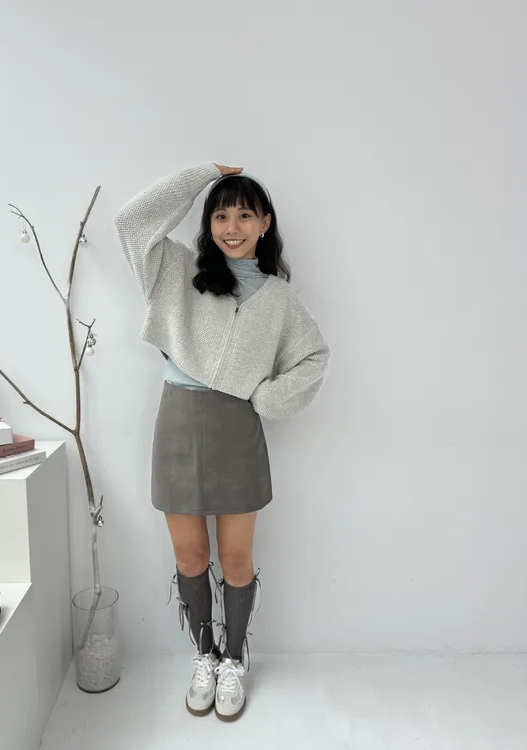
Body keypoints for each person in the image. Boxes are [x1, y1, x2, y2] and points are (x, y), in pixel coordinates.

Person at [114, 162, 330, 721]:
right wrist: (203, 175)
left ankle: (233, 659)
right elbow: (132, 222)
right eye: (221, 214)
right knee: (190, 555)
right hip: (178, 424)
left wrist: (266, 397)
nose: (232, 226)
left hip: (238, 429)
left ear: (265, 223)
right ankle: (204, 655)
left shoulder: (279, 299)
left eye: (244, 215)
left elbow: (314, 357)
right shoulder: (176, 270)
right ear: (208, 223)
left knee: (236, 557)